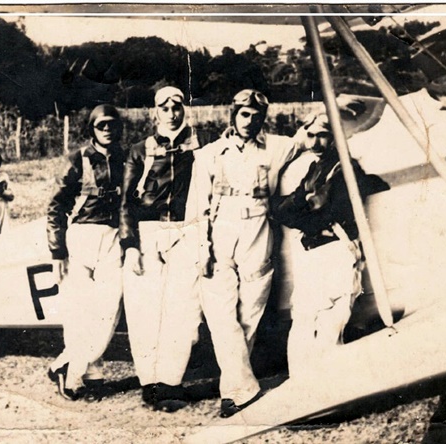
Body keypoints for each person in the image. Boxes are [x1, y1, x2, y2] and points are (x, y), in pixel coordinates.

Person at [194, 89, 300, 417]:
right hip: (220, 233)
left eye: (256, 116)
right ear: (233, 114)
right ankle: (241, 387)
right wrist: (202, 248)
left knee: (250, 311)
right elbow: (197, 208)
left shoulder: (277, 147)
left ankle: (234, 390)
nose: (250, 121)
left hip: (258, 230)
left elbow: (309, 136)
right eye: (244, 114)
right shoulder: (209, 154)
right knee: (221, 315)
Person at [120, 86, 215, 413]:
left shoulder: (202, 145)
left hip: (187, 231)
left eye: (177, 107)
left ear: (184, 109)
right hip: (149, 233)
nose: (172, 113)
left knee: (184, 310)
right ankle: (149, 382)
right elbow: (126, 203)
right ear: (155, 112)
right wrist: (130, 246)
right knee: (145, 310)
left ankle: (170, 383)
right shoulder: (140, 150)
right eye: (165, 107)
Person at [271, 113, 388, 378]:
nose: (315, 142)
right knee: (303, 319)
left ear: (335, 136)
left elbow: (332, 212)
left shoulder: (347, 169)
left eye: (322, 135)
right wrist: (306, 211)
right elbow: (284, 210)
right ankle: (301, 385)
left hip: (338, 248)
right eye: (311, 135)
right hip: (314, 251)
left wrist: (305, 211)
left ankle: (328, 384)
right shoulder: (315, 169)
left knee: (331, 322)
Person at [46, 104, 126, 401]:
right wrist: (57, 250)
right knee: (80, 311)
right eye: (101, 125)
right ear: (91, 129)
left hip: (113, 237)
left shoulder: (126, 159)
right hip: (81, 237)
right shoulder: (76, 160)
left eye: (112, 125)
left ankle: (66, 364)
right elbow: (56, 207)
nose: (107, 130)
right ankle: (82, 375)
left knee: (108, 308)